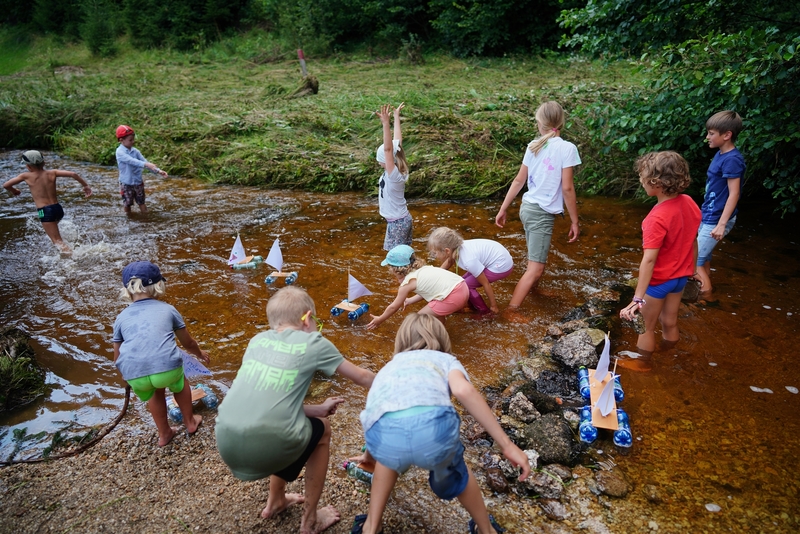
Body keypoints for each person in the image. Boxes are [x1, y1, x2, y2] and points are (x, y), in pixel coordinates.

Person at [349, 313, 530, 534]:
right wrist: (507, 445)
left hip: (382, 434)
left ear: (401, 340)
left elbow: (378, 412)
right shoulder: (445, 360)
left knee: (388, 458)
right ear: (442, 340)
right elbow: (463, 390)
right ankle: (486, 530)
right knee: (457, 475)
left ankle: (371, 527)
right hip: (433, 434)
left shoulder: (389, 367)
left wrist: (370, 456)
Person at [215, 286, 375, 534]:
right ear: (308, 318)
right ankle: (310, 521)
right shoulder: (314, 341)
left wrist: (317, 408)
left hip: (226, 442)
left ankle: (276, 501)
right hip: (267, 443)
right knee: (322, 430)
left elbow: (270, 401)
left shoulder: (257, 341)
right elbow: (363, 377)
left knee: (286, 422)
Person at [495, 101, 581, 313]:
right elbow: (568, 188)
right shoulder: (567, 148)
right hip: (540, 214)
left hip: (528, 207)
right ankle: (512, 310)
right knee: (536, 268)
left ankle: (533, 291)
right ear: (561, 122)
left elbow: (518, 181)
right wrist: (575, 220)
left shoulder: (534, 145)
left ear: (539, 123)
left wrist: (503, 208)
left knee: (536, 258)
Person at [112, 261, 209, 446]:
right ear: (158, 285)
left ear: (127, 290)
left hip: (135, 374)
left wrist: (125, 377)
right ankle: (190, 422)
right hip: (167, 369)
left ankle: (164, 434)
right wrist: (200, 353)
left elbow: (117, 357)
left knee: (155, 393)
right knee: (180, 384)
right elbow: (187, 342)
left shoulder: (121, 318)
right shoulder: (168, 309)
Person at [619, 152, 701, 370]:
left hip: (659, 282)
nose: (640, 180)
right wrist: (692, 269)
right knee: (670, 322)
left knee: (646, 327)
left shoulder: (655, 218)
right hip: (681, 278)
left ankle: (643, 364)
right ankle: (670, 355)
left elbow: (649, 260)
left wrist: (637, 298)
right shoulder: (689, 202)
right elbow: (692, 240)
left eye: (643, 176)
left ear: (656, 182)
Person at [695, 111, 745, 298]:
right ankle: (703, 287)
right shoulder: (721, 154)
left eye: (711, 133)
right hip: (709, 214)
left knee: (694, 260)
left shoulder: (732, 160)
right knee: (703, 257)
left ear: (727, 135)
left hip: (717, 218)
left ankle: (706, 298)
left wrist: (722, 224)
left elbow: (734, 194)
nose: (707, 137)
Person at [3, 150, 92, 254]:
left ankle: (74, 258)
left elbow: (6, 185)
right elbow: (73, 174)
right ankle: (67, 252)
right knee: (55, 236)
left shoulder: (25, 176)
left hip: (44, 211)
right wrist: (85, 186)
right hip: (58, 209)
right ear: (44, 163)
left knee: (57, 241)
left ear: (28, 166)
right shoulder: (52, 173)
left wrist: (15, 191)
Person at [367, 244, 469, 329]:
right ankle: (440, 332)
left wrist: (380, 319)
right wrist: (410, 300)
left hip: (453, 297)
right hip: (463, 287)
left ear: (395, 270)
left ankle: (429, 341)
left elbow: (393, 307)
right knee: (436, 308)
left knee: (416, 319)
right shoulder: (424, 269)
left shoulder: (406, 284)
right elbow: (430, 291)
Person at [427, 227, 513, 314]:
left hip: (501, 265)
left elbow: (485, 283)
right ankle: (470, 306)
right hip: (496, 258)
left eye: (435, 253)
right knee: (460, 282)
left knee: (466, 285)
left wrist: (493, 306)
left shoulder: (468, 260)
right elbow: (449, 261)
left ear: (447, 251)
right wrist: (436, 274)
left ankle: (484, 312)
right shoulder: (455, 248)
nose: (434, 256)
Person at [375, 103, 412, 251]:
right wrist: (396, 117)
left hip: (397, 223)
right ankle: (412, 274)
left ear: (385, 160)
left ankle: (405, 275)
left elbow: (389, 148)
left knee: (395, 259)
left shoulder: (393, 175)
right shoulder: (397, 169)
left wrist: (385, 124)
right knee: (402, 257)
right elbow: (397, 143)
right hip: (399, 220)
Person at [115, 124, 168, 216]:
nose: (133, 142)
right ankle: (128, 217)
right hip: (126, 183)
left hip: (138, 182)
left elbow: (144, 161)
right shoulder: (120, 152)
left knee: (141, 202)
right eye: (130, 140)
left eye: (133, 139)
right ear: (121, 140)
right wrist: (146, 164)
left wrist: (158, 171)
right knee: (127, 203)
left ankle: (146, 218)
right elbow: (132, 161)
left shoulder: (135, 151)